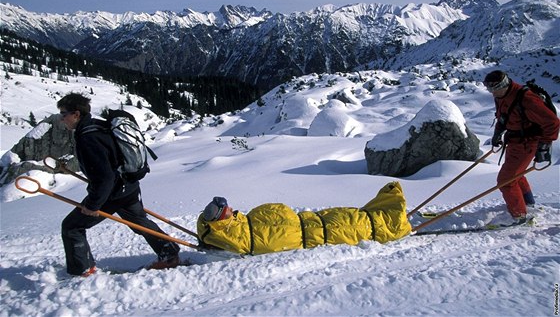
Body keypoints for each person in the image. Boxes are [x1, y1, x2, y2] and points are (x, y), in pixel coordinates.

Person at [57, 92, 180, 276]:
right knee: (140, 222)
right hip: (129, 187)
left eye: (63, 114)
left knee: (71, 226)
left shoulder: (87, 137)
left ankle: (82, 270)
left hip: (112, 193)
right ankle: (169, 254)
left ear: (76, 114)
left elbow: (105, 177)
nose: (62, 119)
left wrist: (93, 205)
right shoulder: (97, 126)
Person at [197, 182, 411, 255]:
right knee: (356, 224)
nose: (231, 208)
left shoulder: (240, 223)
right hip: (315, 230)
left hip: (312, 220)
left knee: (354, 215)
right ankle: (391, 221)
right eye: (224, 209)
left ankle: (386, 215)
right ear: (221, 220)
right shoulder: (241, 235)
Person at [483, 70, 559, 223]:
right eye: (488, 89)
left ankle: (519, 216)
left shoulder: (526, 99)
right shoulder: (501, 95)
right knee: (516, 175)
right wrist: (498, 133)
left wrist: (544, 146)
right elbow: (504, 116)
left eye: (493, 89)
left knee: (506, 180)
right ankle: (528, 204)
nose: (491, 93)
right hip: (514, 141)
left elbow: (553, 122)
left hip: (528, 143)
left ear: (503, 85)